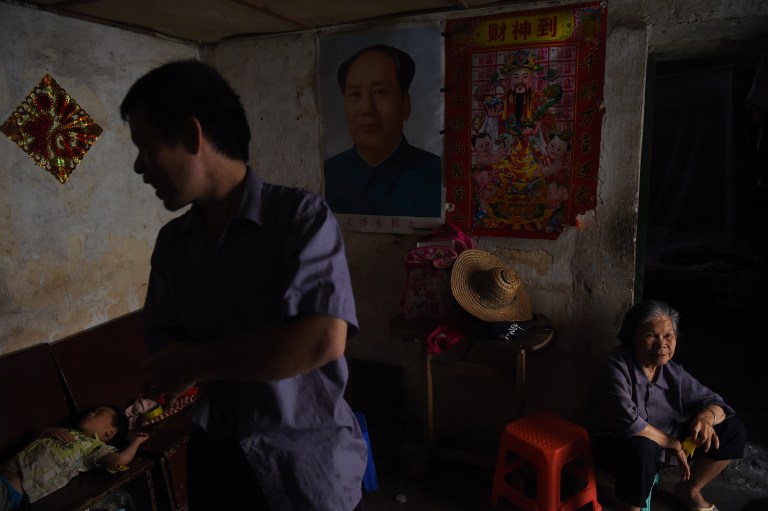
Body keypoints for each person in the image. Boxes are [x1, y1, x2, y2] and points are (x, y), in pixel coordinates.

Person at [119, 60, 367, 511]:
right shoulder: (172, 244)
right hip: (217, 455)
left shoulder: (300, 218)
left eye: (146, 146)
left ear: (194, 137)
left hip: (305, 460)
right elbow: (162, 353)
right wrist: (193, 362)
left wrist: (196, 361)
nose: (140, 167)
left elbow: (320, 340)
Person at [590, 300, 746, 511]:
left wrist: (706, 418)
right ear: (631, 338)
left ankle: (689, 490)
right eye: (650, 335)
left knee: (732, 428)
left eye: (668, 336)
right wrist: (671, 443)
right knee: (642, 448)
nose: (661, 343)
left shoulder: (672, 372)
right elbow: (627, 423)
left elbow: (716, 401)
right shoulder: (615, 366)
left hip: (667, 445)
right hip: (617, 445)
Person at [324, 44, 442, 217]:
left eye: (380, 92)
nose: (367, 109)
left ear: (405, 104)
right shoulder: (329, 173)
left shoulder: (435, 173)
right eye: (355, 94)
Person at [0, 405, 148, 508]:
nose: (91, 413)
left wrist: (137, 441)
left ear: (110, 431)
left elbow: (120, 460)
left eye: (99, 413)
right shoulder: (64, 432)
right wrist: (47, 432)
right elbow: (25, 451)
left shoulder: (93, 447)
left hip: (9, 490)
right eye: (92, 411)